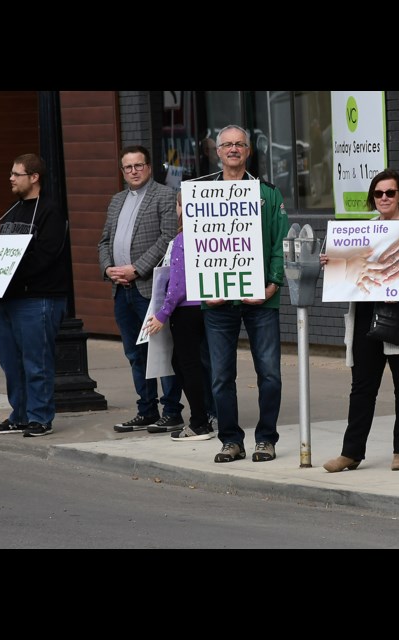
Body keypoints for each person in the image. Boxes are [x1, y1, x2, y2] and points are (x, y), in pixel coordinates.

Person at [321, 169, 399, 473]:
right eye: (378, 193)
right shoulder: (362, 231)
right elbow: (352, 273)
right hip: (367, 314)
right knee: (362, 387)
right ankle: (351, 453)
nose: (383, 198)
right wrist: (335, 261)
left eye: (389, 193)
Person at [204, 125, 290, 464]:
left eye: (240, 144)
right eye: (227, 145)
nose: (234, 149)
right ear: (218, 151)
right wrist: (204, 290)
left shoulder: (267, 193)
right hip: (217, 302)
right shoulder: (201, 195)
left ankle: (266, 439)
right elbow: (196, 248)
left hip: (261, 300)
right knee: (221, 377)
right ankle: (231, 441)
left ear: (248, 151)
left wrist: (272, 284)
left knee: (269, 374)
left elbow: (280, 243)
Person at [98, 145, 184, 433]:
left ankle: (172, 411)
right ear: (122, 171)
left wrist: (137, 268)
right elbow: (104, 241)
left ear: (148, 167)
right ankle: (146, 410)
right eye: (128, 167)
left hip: (150, 287)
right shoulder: (116, 200)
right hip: (121, 290)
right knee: (135, 354)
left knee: (162, 352)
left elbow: (168, 238)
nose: (133, 171)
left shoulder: (164, 196)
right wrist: (108, 268)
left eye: (138, 165)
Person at [0, 153, 69, 438]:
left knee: (37, 362)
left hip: (37, 299)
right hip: (6, 302)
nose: (10, 178)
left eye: (16, 174)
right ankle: (18, 415)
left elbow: (45, 256)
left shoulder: (50, 211)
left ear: (34, 177)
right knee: (11, 363)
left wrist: (8, 276)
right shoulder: (11, 211)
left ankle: (40, 418)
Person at [142, 191, 214, 442]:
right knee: (200, 364)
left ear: (183, 208)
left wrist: (163, 312)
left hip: (186, 309)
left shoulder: (185, 238)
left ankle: (199, 423)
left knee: (187, 365)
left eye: (178, 205)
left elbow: (179, 282)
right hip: (208, 306)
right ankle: (209, 415)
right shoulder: (210, 236)